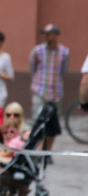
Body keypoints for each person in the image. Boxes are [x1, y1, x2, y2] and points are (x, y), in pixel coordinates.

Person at [28, 24, 68, 153]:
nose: (47, 36)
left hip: (55, 92)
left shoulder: (64, 52)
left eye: (49, 34)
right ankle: (38, 149)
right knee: (37, 122)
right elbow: (33, 66)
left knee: (53, 125)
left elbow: (63, 70)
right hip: (40, 90)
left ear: (56, 35)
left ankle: (47, 150)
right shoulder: (38, 50)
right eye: (45, 34)